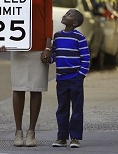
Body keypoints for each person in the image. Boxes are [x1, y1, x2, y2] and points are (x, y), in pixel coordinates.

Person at [0, 0, 53, 147]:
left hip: (39, 46)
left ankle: (32, 131)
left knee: (36, 89)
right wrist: (3, 40)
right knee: (19, 88)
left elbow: (48, 19)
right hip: (18, 46)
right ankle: (18, 132)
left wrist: (48, 46)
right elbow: (5, 18)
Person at [41, 9, 90, 148]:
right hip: (61, 80)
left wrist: (81, 75)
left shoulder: (79, 37)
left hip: (75, 79)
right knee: (62, 109)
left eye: (69, 15)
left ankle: (75, 138)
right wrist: (48, 59)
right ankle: (61, 138)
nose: (65, 15)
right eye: (66, 13)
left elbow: (86, 58)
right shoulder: (57, 36)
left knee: (77, 109)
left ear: (74, 22)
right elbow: (55, 55)